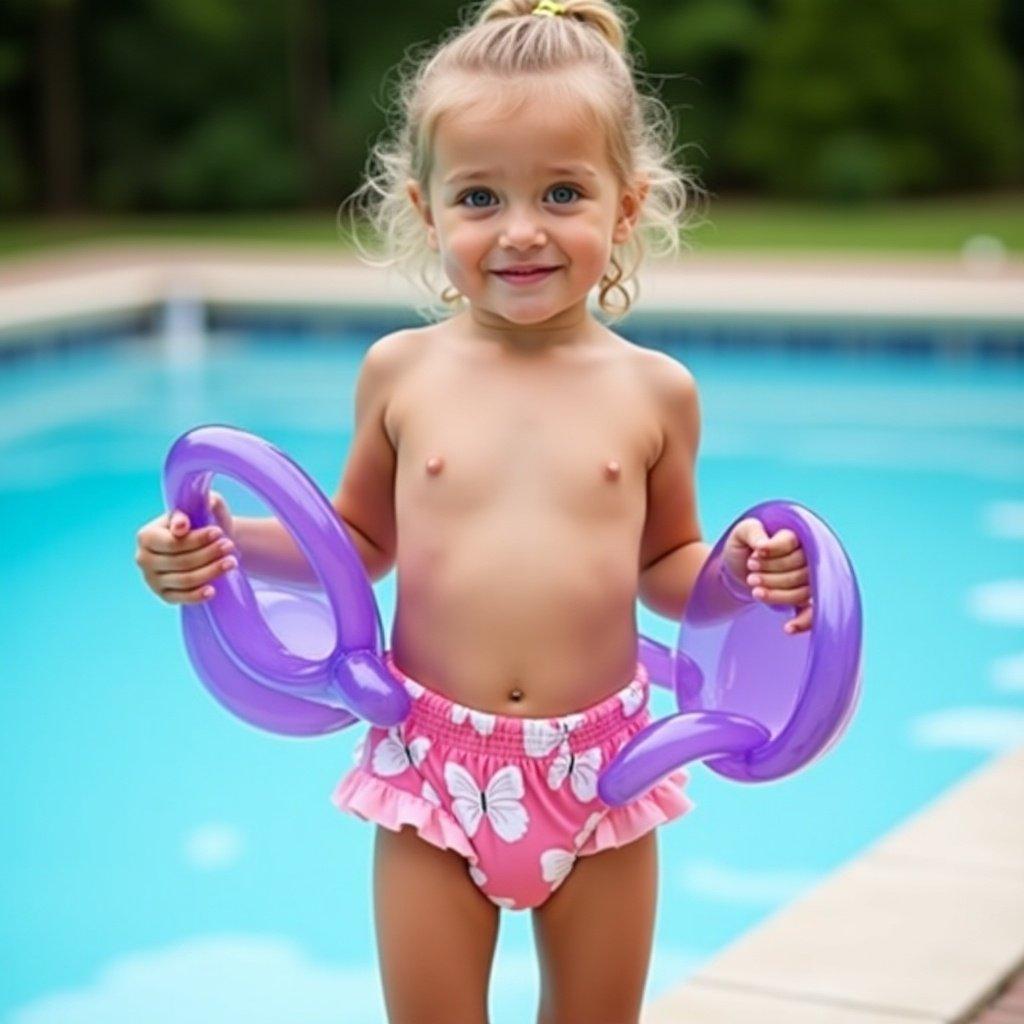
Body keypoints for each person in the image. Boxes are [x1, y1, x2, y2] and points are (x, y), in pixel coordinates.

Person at [134, 1, 813, 1019]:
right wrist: (220, 548)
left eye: (562, 193)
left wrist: (741, 572)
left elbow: (667, 559)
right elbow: (355, 542)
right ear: (428, 208)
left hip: (606, 773)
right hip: (429, 766)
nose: (522, 230)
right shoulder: (401, 374)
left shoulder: (654, 392)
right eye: (482, 196)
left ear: (624, 209)